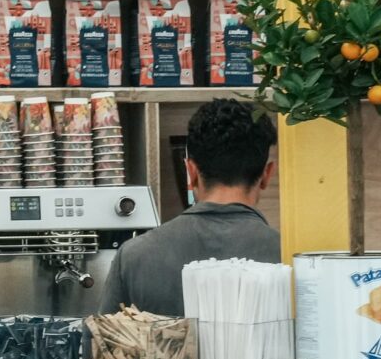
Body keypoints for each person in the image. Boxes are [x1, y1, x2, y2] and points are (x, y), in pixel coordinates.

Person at [115, 98, 280, 316]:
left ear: (190, 172)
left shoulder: (134, 255)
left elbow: (100, 335)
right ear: (267, 174)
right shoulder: (288, 257)